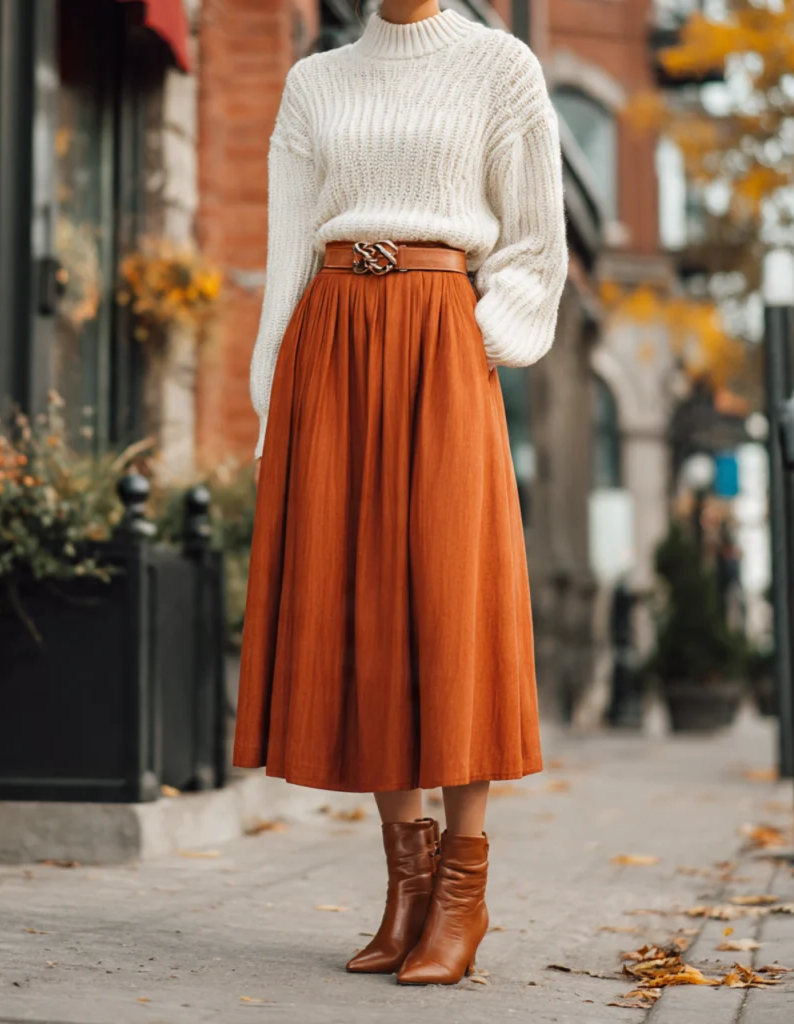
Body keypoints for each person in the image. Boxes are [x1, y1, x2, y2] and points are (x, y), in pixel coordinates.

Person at [232, 0, 567, 986]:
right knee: (366, 611)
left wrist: (478, 336)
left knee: (450, 605)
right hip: (330, 347)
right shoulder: (314, 82)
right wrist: (272, 407)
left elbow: (535, 244)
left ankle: (461, 894)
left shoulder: (501, 68)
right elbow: (288, 253)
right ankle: (406, 887)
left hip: (441, 340)